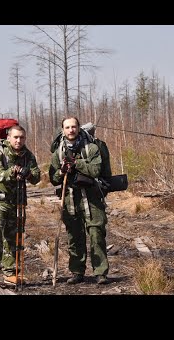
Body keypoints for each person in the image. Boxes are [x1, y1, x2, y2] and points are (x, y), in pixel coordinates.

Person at [49, 117, 109, 285]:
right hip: (69, 199)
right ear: (63, 130)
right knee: (74, 237)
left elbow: (96, 169)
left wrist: (76, 163)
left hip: (92, 199)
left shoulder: (91, 148)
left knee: (96, 234)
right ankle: (77, 272)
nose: (71, 130)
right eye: (67, 127)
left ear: (78, 128)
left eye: (73, 126)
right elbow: (53, 178)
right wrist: (61, 172)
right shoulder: (58, 152)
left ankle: (101, 272)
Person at [0, 125, 41, 286]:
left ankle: (10, 272)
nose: (18, 140)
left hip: (17, 202)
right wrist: (12, 172)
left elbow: (37, 177)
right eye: (15, 137)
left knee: (14, 237)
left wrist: (27, 173)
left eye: (22, 137)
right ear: (8, 138)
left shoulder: (28, 156)